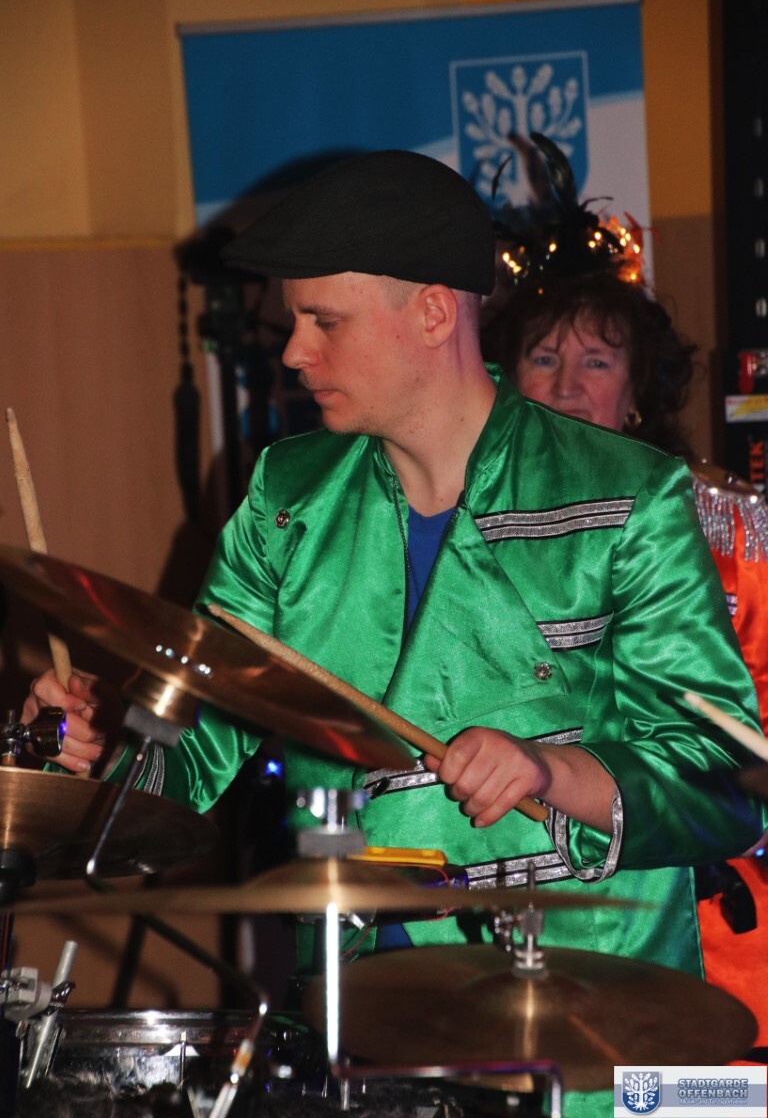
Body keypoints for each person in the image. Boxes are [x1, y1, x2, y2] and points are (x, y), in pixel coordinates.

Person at [20, 150, 766, 1114]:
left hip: (592, 1026)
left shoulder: (628, 496)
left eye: (323, 321)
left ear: (434, 314)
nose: (294, 353)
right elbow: (191, 749)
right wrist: (93, 752)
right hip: (362, 1019)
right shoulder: (286, 502)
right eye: (296, 322)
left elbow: (724, 787)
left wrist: (550, 772)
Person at [485, 253, 768, 1050]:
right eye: (544, 358)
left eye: (597, 362)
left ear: (637, 393)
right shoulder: (459, 518)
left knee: (684, 1094)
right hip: (519, 908)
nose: (566, 384)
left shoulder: (728, 528)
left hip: (706, 912)